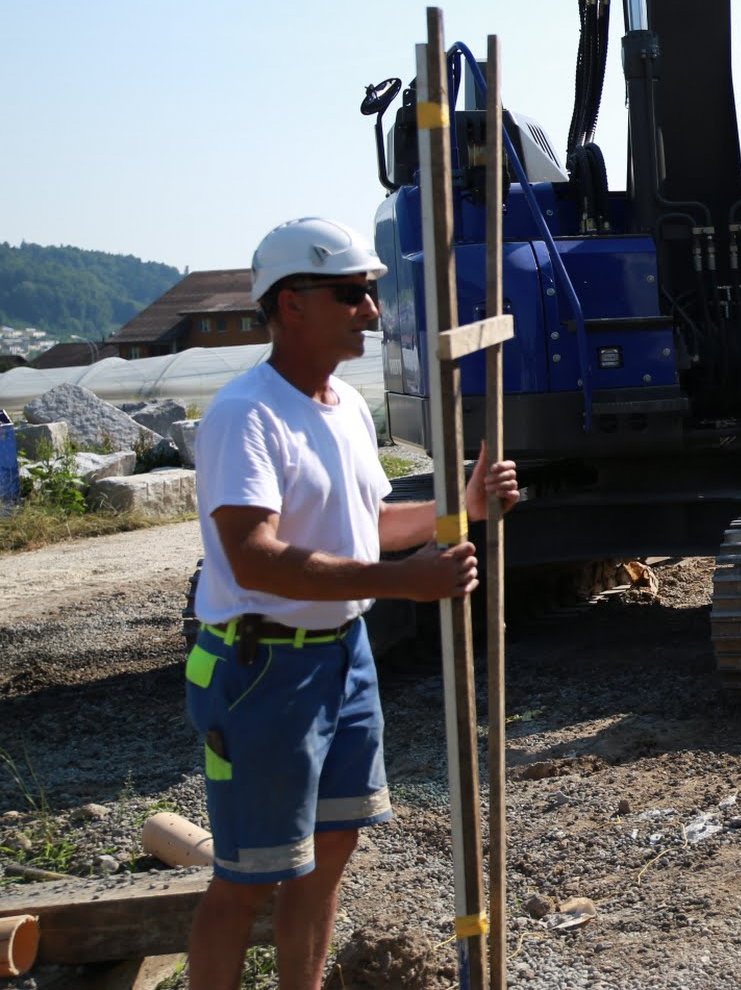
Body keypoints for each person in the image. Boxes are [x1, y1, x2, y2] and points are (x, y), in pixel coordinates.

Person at [183, 216, 519, 990]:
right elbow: (253, 556)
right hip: (261, 664)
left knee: (326, 858)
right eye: (352, 293)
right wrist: (405, 582)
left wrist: (461, 505)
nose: (371, 310)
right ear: (290, 303)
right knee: (246, 874)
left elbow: (365, 526)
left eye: (371, 292)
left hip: (341, 657)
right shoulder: (247, 414)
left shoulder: (344, 408)